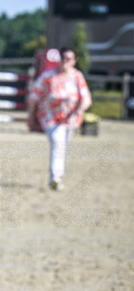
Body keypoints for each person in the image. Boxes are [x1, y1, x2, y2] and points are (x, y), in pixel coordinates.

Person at [27, 48, 91, 190]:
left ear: (74, 61)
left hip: (71, 118)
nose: (66, 61)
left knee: (63, 145)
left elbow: (86, 97)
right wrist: (31, 116)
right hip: (51, 117)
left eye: (69, 59)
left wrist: (80, 110)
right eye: (64, 58)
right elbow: (34, 97)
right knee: (58, 143)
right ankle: (55, 177)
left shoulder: (77, 76)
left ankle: (57, 174)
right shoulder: (48, 76)